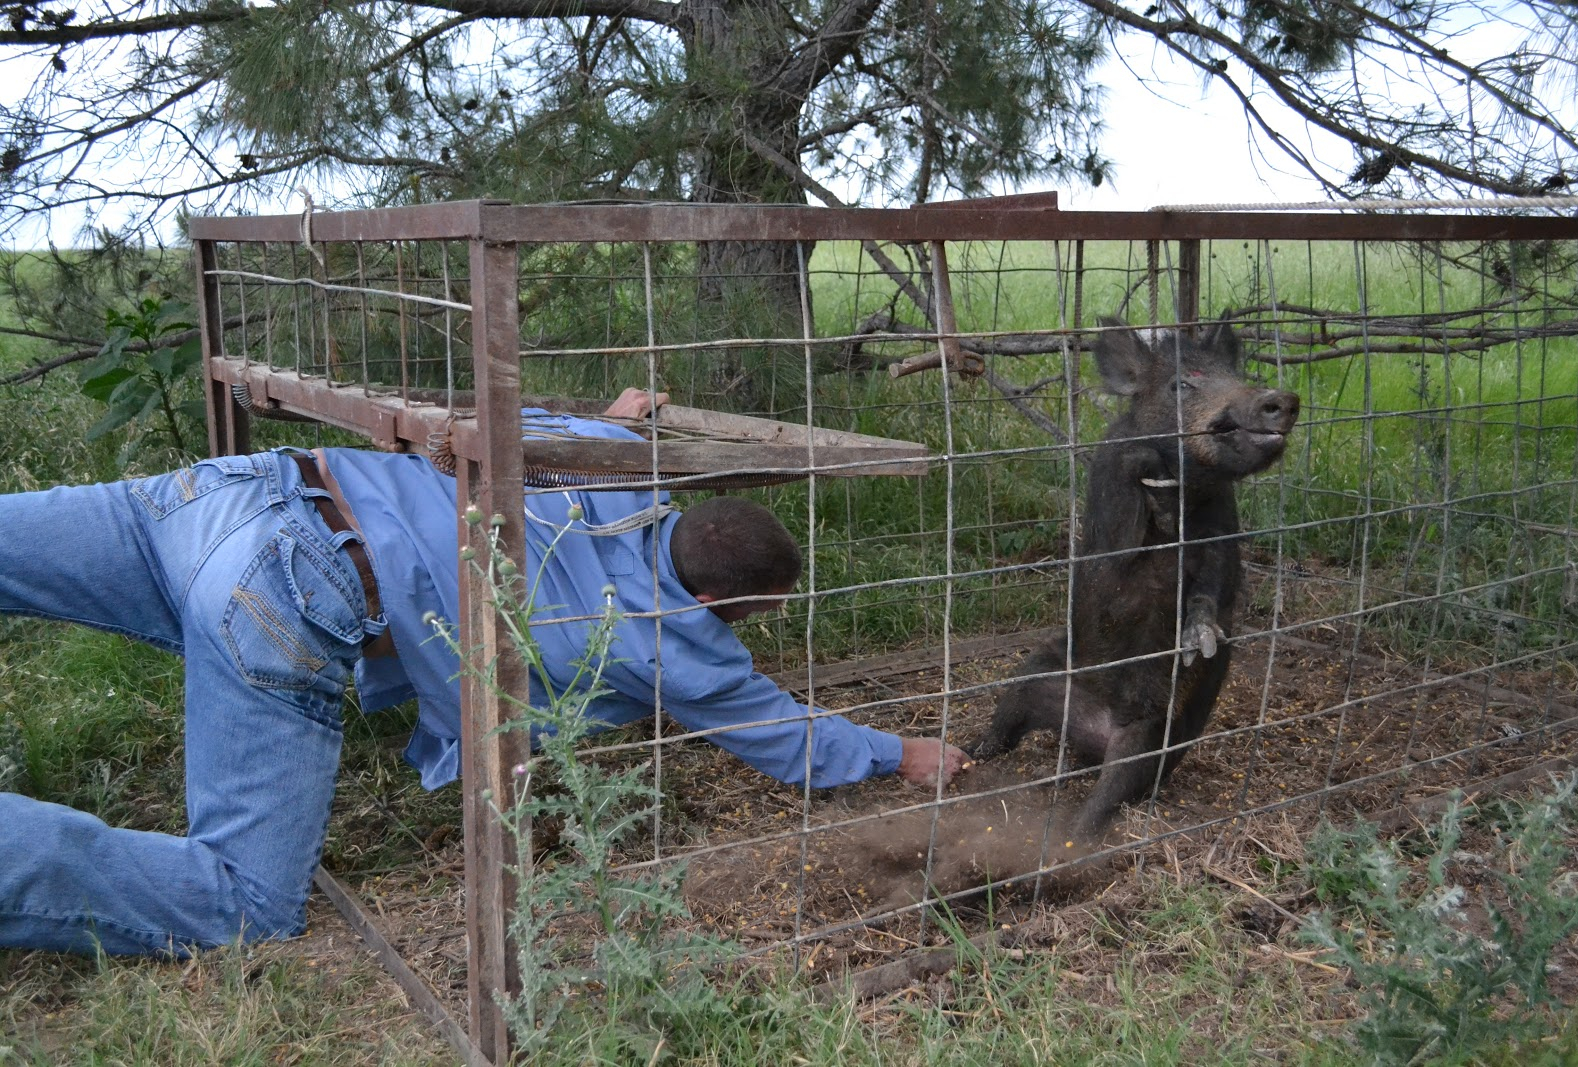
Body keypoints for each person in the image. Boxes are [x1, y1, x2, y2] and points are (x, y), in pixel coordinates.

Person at [0, 387, 968, 957]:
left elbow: (523, 426)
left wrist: (613, 418)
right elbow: (786, 734)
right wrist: (902, 750)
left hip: (223, 490)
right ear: (718, 604)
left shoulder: (617, 464)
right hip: (287, 585)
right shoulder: (678, 643)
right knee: (241, 900)